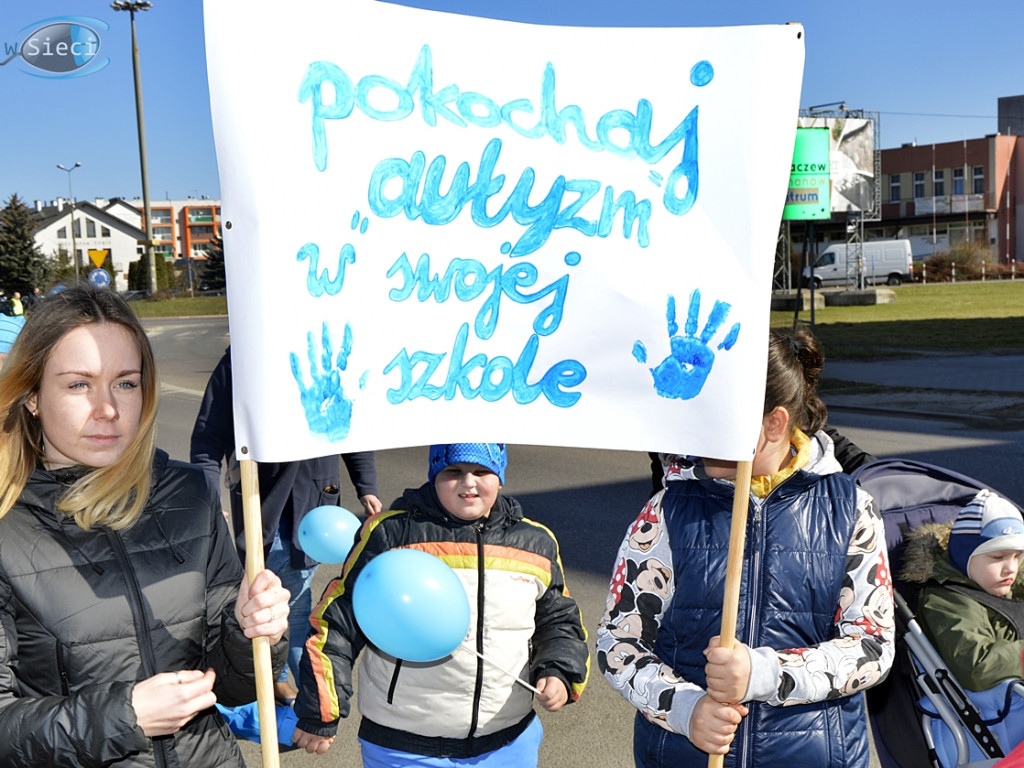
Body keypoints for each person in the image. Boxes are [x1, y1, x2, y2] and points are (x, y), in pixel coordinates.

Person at [0, 285, 291, 767]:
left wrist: (251, 632)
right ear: (32, 395)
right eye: (78, 385)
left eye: (126, 382)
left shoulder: (190, 495)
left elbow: (234, 685)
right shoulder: (9, 527)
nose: (108, 408)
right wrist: (125, 716)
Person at [597, 327, 895, 767]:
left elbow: (872, 645)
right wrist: (685, 709)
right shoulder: (666, 510)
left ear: (774, 423)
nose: (700, 433)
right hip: (684, 754)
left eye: (719, 418)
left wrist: (764, 673)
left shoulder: (850, 510)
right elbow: (618, 642)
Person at [292, 443, 590, 766]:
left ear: (500, 477)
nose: (469, 483)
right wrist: (321, 708)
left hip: (507, 742)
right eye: (454, 472)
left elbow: (560, 622)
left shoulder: (535, 543)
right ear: (434, 474)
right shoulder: (392, 534)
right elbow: (337, 623)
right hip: (404, 745)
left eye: (482, 471)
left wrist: (559, 671)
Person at [190, 346, 383, 705]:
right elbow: (207, 439)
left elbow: (350, 426)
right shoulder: (244, 353)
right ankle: (299, 690)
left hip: (316, 511)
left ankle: (288, 684)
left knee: (295, 600)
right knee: (285, 604)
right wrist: (209, 499)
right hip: (260, 506)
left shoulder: (325, 350)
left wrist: (366, 485)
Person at [901, 489, 1024, 691]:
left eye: (1017, 556)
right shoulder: (946, 601)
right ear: (965, 556)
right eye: (998, 557)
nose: (1011, 567)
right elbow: (977, 669)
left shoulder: (1008, 586)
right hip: (995, 711)